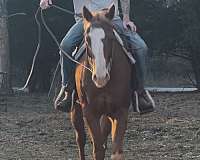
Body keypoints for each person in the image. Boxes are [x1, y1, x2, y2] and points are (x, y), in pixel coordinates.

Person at [40, 0, 155, 113]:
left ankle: (139, 92)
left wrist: (126, 18)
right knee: (65, 47)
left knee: (141, 48)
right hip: (86, 20)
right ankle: (68, 90)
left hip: (111, 18)